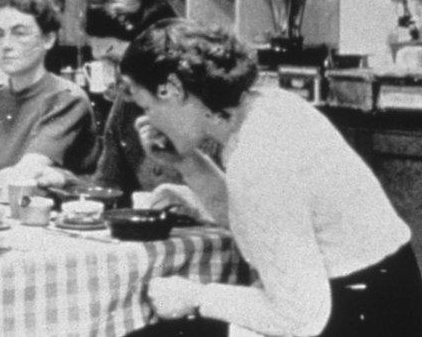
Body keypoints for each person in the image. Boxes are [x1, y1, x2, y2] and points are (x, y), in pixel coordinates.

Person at [118, 19, 422, 337]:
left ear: (174, 89)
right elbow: (252, 219)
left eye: (147, 106)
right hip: (382, 297)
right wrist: (188, 164)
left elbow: (299, 318)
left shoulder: (259, 154)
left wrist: (196, 297)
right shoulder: (267, 107)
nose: (147, 120)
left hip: (360, 316)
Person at [0, 0, 96, 186]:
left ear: (48, 39)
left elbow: (28, 172)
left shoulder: (67, 98)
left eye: (19, 33)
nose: (6, 45)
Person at [85, 0, 197, 200]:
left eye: (115, 61)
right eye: (100, 61)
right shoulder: (127, 102)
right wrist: (66, 182)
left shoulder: (208, 107)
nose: (110, 78)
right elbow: (107, 185)